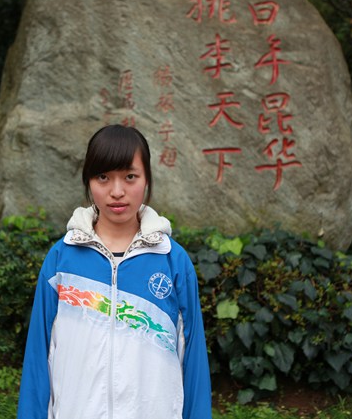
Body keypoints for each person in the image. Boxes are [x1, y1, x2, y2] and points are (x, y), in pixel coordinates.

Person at [16, 124, 212, 419]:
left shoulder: (172, 261)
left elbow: (194, 361)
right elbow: (38, 356)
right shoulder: (62, 260)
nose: (117, 192)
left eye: (130, 177)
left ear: (147, 179)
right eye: (103, 177)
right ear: (88, 180)